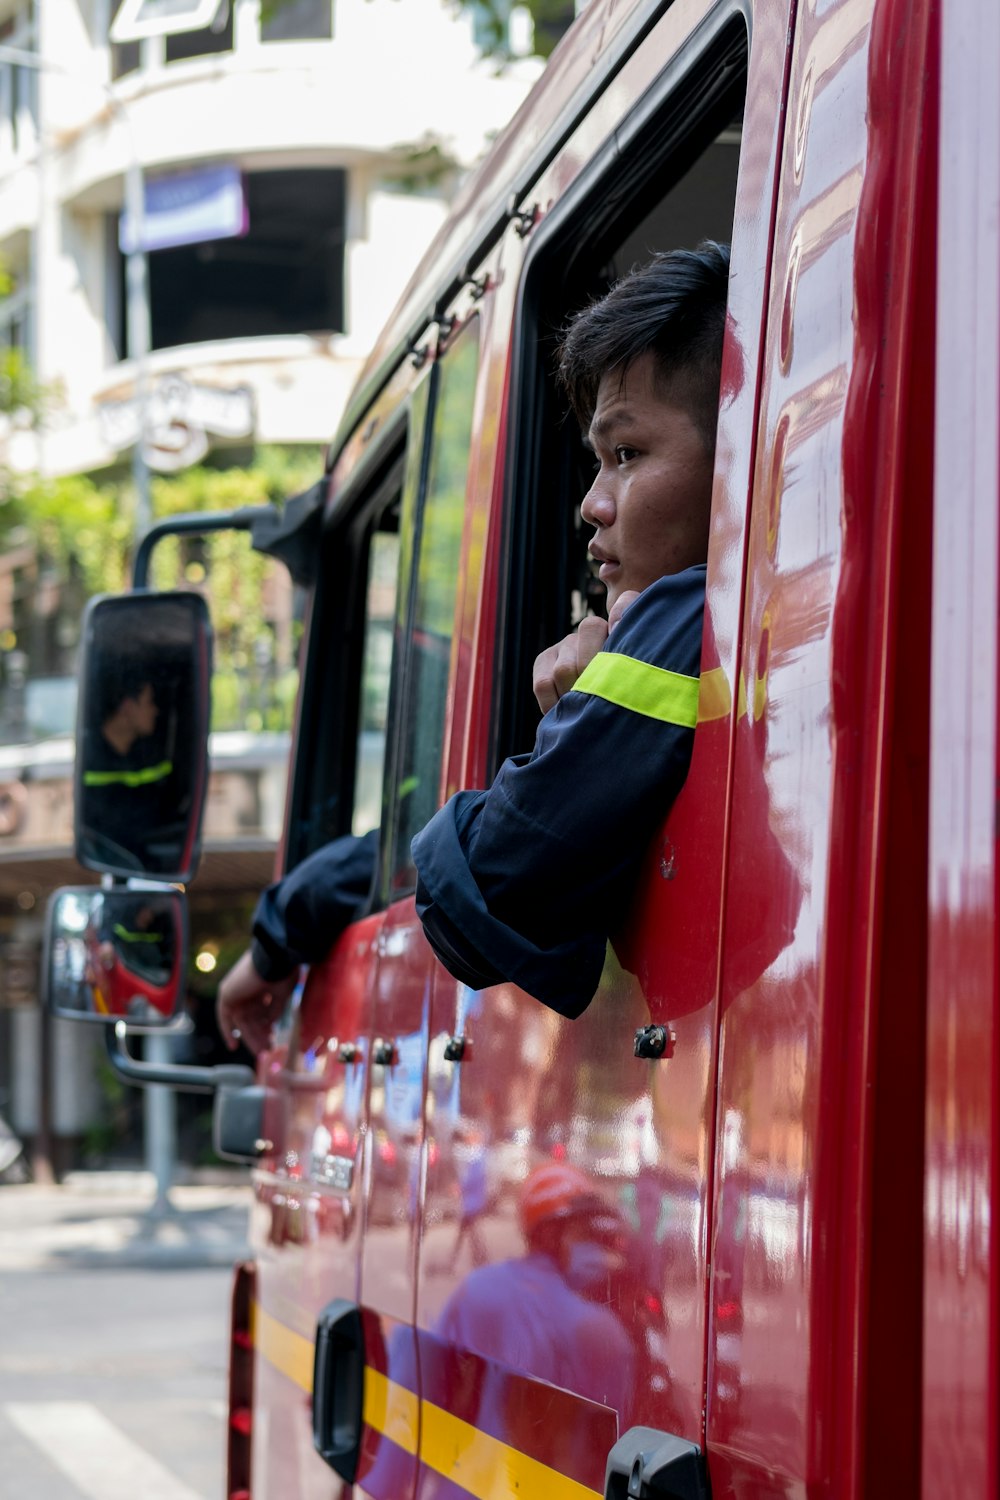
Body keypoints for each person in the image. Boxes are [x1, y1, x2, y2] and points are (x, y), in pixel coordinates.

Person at [217, 242, 729, 1047]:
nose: (592, 504)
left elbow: (488, 886)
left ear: (738, 455)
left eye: (627, 454)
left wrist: (576, 717)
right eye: (597, 464)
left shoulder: (683, 617)